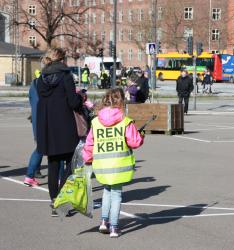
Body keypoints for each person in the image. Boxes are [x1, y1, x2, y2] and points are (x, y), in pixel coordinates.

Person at [82, 88, 144, 238]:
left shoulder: (96, 122)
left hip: (102, 165)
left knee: (106, 191)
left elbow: (89, 143)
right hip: (119, 165)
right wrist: (141, 135)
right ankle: (114, 227)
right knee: (116, 194)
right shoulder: (125, 121)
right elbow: (134, 142)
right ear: (121, 101)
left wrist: (88, 159)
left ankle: (104, 222)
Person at [36, 48, 83, 217]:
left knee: (53, 165)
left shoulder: (41, 78)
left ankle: (54, 200)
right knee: (70, 164)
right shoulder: (65, 76)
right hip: (64, 125)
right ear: (62, 59)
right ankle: (60, 201)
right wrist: (81, 98)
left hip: (47, 125)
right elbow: (72, 102)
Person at [23, 70, 45, 186]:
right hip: (46, 120)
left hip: (37, 120)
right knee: (58, 153)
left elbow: (33, 102)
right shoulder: (46, 83)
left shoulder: (34, 84)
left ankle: (30, 175)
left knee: (40, 148)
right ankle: (61, 179)